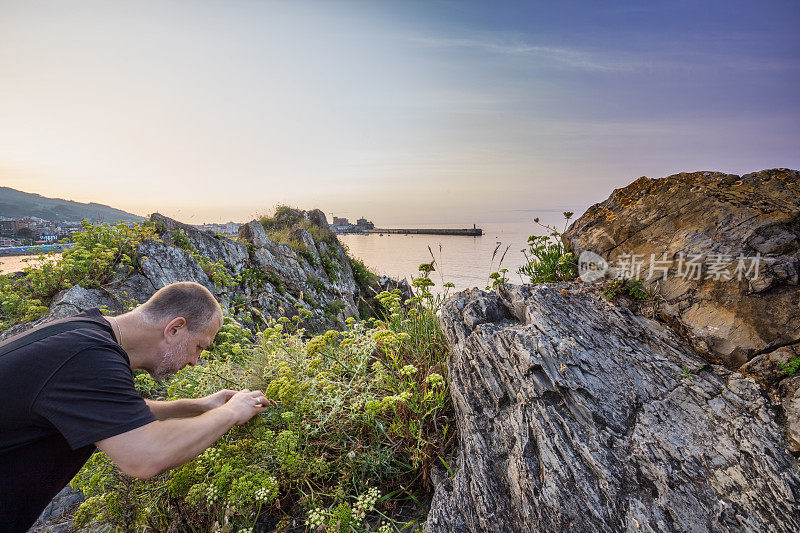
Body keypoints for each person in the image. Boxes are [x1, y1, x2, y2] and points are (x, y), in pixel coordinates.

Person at [0, 281, 274, 532]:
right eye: (200, 346)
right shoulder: (88, 359)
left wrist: (199, 406)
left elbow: (115, 411)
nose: (195, 361)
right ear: (175, 328)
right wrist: (231, 412)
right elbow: (146, 457)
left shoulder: (84, 335)